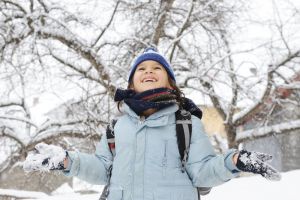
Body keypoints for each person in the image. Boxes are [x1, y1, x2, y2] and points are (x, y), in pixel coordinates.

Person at [23, 47, 281, 200]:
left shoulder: (186, 122)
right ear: (131, 83)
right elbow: (103, 170)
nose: (148, 71)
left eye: (157, 68)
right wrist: (68, 161)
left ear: (170, 83)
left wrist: (233, 161)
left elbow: (202, 172)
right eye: (141, 69)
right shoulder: (117, 127)